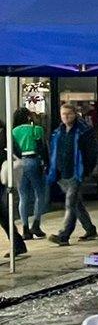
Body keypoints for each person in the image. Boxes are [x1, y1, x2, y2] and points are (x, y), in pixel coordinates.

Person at [47, 103, 98, 246]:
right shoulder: (58, 132)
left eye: (68, 114)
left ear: (75, 114)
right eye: (63, 114)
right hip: (62, 173)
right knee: (76, 204)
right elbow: (54, 151)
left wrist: (87, 170)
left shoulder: (83, 131)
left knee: (70, 203)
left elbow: (91, 153)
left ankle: (64, 235)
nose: (66, 117)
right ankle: (90, 229)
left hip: (77, 173)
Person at [12, 107, 48, 240]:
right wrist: (46, 163)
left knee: (23, 196)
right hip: (34, 161)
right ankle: (36, 224)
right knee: (40, 193)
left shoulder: (13, 132)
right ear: (28, 117)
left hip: (19, 164)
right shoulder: (37, 129)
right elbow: (43, 148)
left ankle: (25, 228)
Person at [0, 120, 27, 257]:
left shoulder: (4, 133)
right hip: (3, 176)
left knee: (4, 214)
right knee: (3, 215)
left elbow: (15, 151)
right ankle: (18, 244)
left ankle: (18, 244)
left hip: (3, 177)